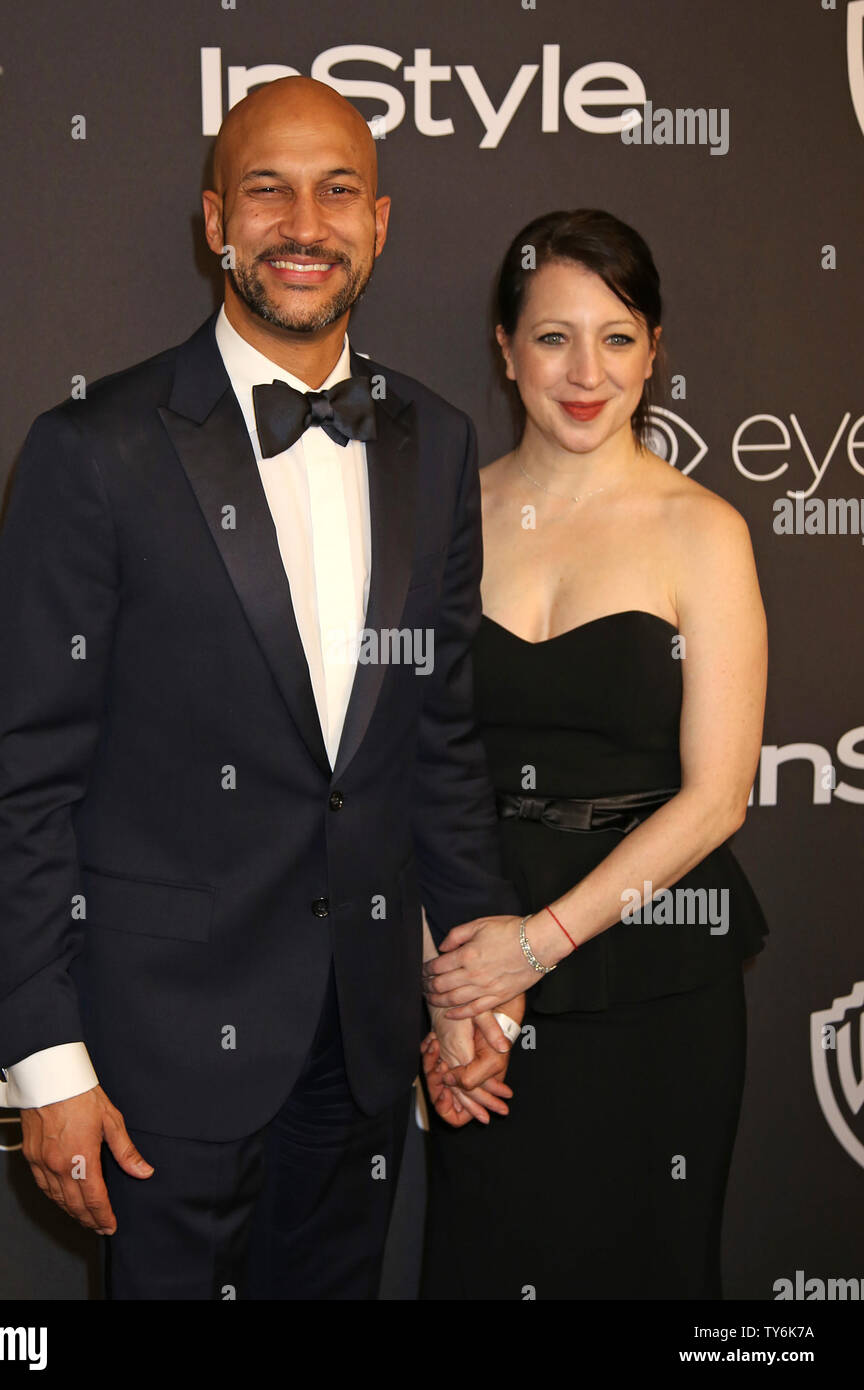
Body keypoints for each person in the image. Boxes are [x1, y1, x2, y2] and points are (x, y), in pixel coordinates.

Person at [0, 75, 523, 1301]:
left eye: (336, 191)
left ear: (380, 223)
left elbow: (438, 737)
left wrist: (470, 975)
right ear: (214, 219)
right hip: (159, 1050)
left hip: (362, 1044)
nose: (301, 223)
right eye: (266, 190)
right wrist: (46, 1061)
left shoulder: (433, 443)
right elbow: (21, 779)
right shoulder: (95, 447)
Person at [421, 209, 769, 1300]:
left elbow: (717, 797)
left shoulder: (699, 529)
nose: (584, 372)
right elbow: (414, 770)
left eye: (615, 337)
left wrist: (540, 943)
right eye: (552, 337)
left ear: (653, 349)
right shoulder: (441, 523)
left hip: (646, 965)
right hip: (479, 962)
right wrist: (451, 989)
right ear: (503, 345)